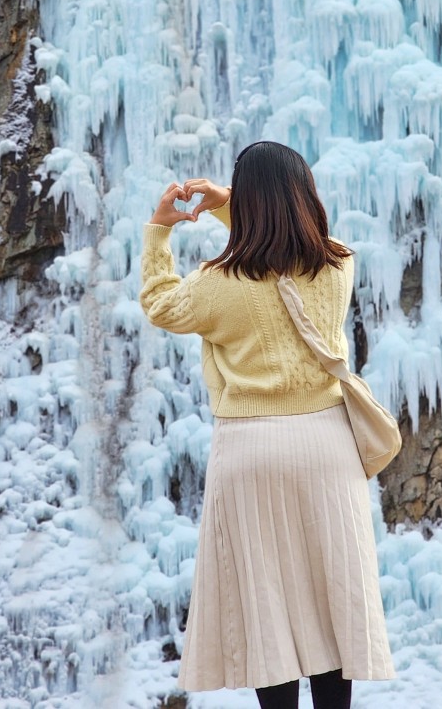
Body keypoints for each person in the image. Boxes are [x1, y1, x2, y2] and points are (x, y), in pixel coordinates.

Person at [140, 141, 395, 709]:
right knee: (332, 610)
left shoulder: (217, 283)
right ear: (306, 195)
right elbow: (281, 250)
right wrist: (236, 204)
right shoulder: (337, 263)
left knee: (267, 613)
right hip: (328, 447)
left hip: (250, 454)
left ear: (248, 203)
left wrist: (161, 231)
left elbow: (160, 304)